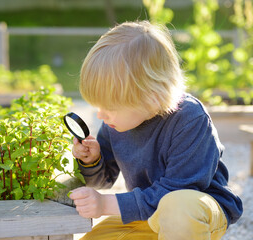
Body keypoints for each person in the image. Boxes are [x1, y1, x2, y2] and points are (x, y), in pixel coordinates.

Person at [68, 21, 243, 240]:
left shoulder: (190, 119)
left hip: (197, 212)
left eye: (110, 107)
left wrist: (105, 204)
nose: (101, 115)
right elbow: (102, 181)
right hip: (149, 214)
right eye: (98, 106)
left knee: (176, 208)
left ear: (152, 98)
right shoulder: (115, 124)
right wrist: (91, 161)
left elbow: (179, 191)